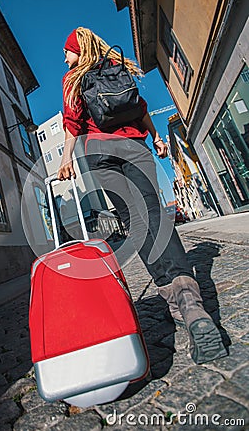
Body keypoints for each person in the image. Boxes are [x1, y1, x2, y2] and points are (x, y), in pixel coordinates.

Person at [57, 27, 227, 365]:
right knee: (154, 215)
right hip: (135, 147)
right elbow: (140, 107)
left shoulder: (74, 78)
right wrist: (156, 138)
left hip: (98, 153)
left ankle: (172, 300)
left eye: (67, 51)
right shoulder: (117, 68)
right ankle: (189, 301)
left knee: (136, 223)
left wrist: (65, 158)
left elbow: (72, 122)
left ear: (79, 49)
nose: (65, 57)